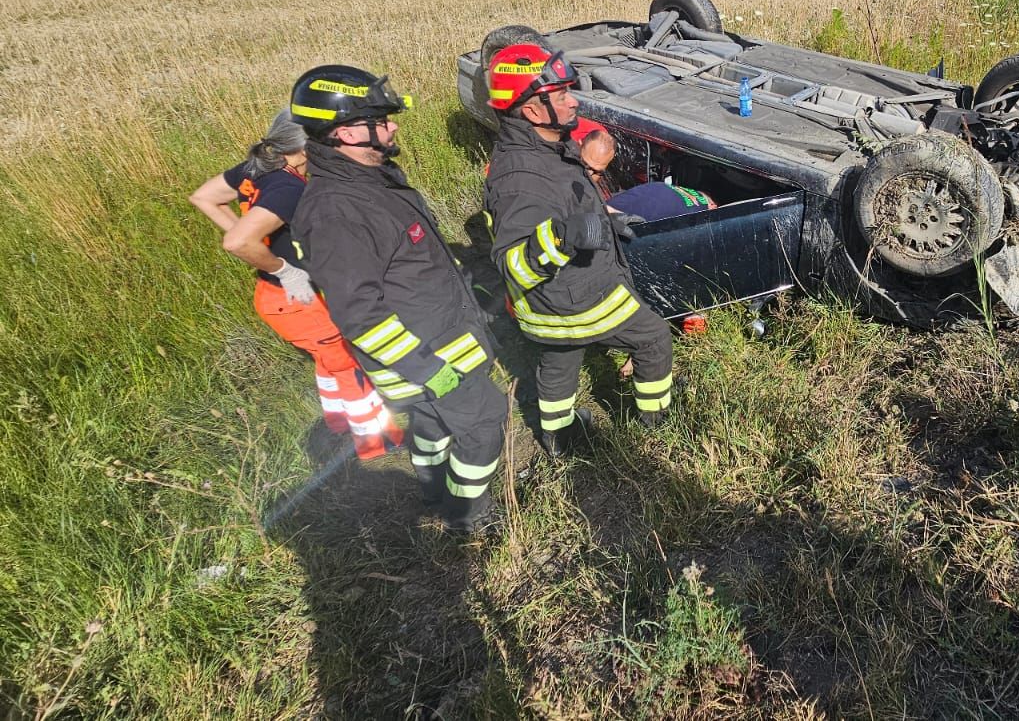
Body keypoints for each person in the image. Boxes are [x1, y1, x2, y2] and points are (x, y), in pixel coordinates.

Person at [287, 65, 506, 532]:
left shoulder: (371, 179)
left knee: (430, 423)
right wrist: (428, 370)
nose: (393, 126)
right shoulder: (336, 212)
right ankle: (469, 515)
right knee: (485, 420)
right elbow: (360, 315)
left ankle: (431, 488)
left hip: (438, 338)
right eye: (382, 121)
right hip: (423, 356)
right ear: (347, 132)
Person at [481, 42, 675, 457]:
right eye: (561, 95)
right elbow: (512, 264)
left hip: (548, 311)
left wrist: (606, 222)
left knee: (558, 365)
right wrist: (566, 236)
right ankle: (655, 423)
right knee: (654, 337)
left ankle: (557, 437)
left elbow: (565, 203)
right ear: (531, 110)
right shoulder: (521, 177)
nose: (573, 101)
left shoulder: (542, 146)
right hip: (579, 299)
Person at [189, 110, 402, 461]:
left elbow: (204, 197)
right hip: (297, 298)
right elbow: (237, 243)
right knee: (348, 363)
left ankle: (337, 423)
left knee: (326, 360)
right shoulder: (286, 186)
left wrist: (257, 241)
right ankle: (377, 441)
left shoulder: (254, 168)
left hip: (277, 298)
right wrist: (283, 267)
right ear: (303, 148)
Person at [577, 127, 717, 222]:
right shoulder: (698, 209)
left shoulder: (691, 203)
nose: (589, 175)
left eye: (597, 172)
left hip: (643, 204)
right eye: (587, 166)